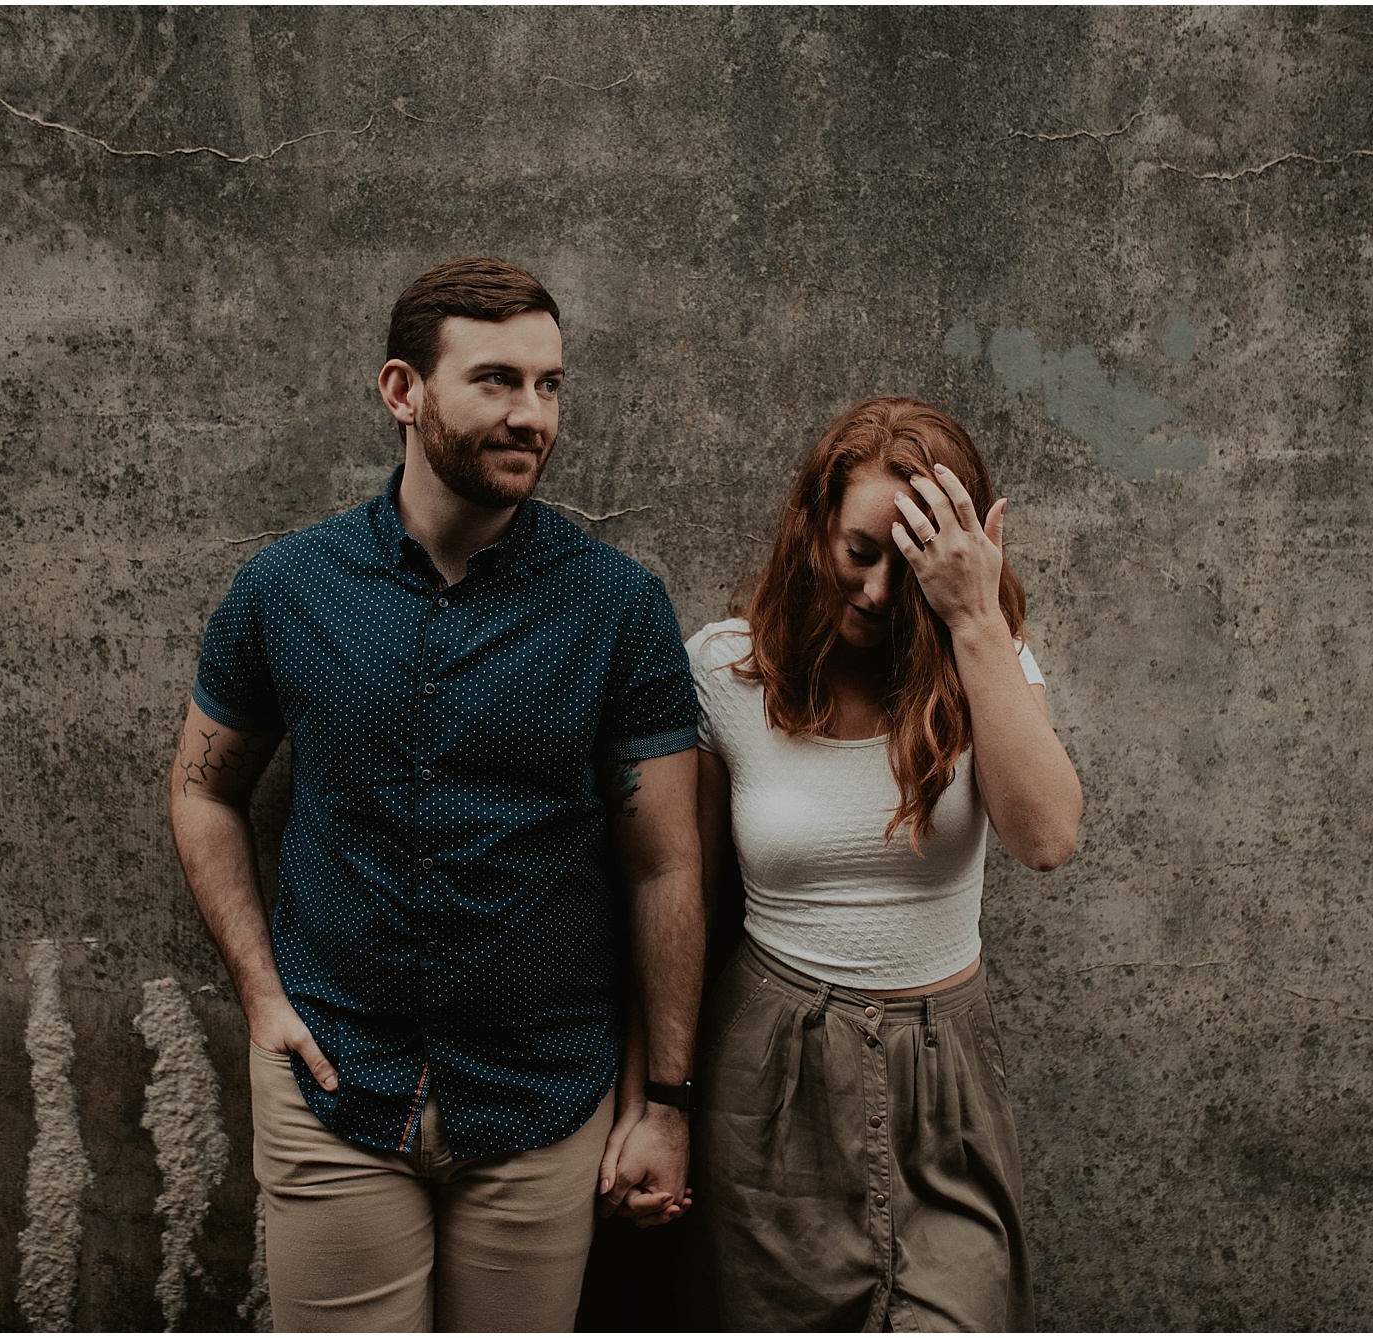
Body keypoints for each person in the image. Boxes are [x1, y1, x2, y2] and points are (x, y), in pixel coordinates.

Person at [168, 256, 704, 1331]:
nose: (531, 415)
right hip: (333, 1090)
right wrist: (261, 998)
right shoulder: (286, 590)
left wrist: (665, 1101)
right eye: (496, 380)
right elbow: (202, 791)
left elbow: (666, 863)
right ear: (401, 392)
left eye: (549, 384)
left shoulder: (616, 608)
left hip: (544, 1102)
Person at [689, 396, 1083, 1331]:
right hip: (769, 1072)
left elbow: (1047, 838)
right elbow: (685, 902)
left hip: (945, 1070)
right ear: (813, 529)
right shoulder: (725, 667)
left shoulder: (989, 663)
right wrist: (657, 1098)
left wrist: (975, 621)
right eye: (858, 552)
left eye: (905, 565)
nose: (873, 592)